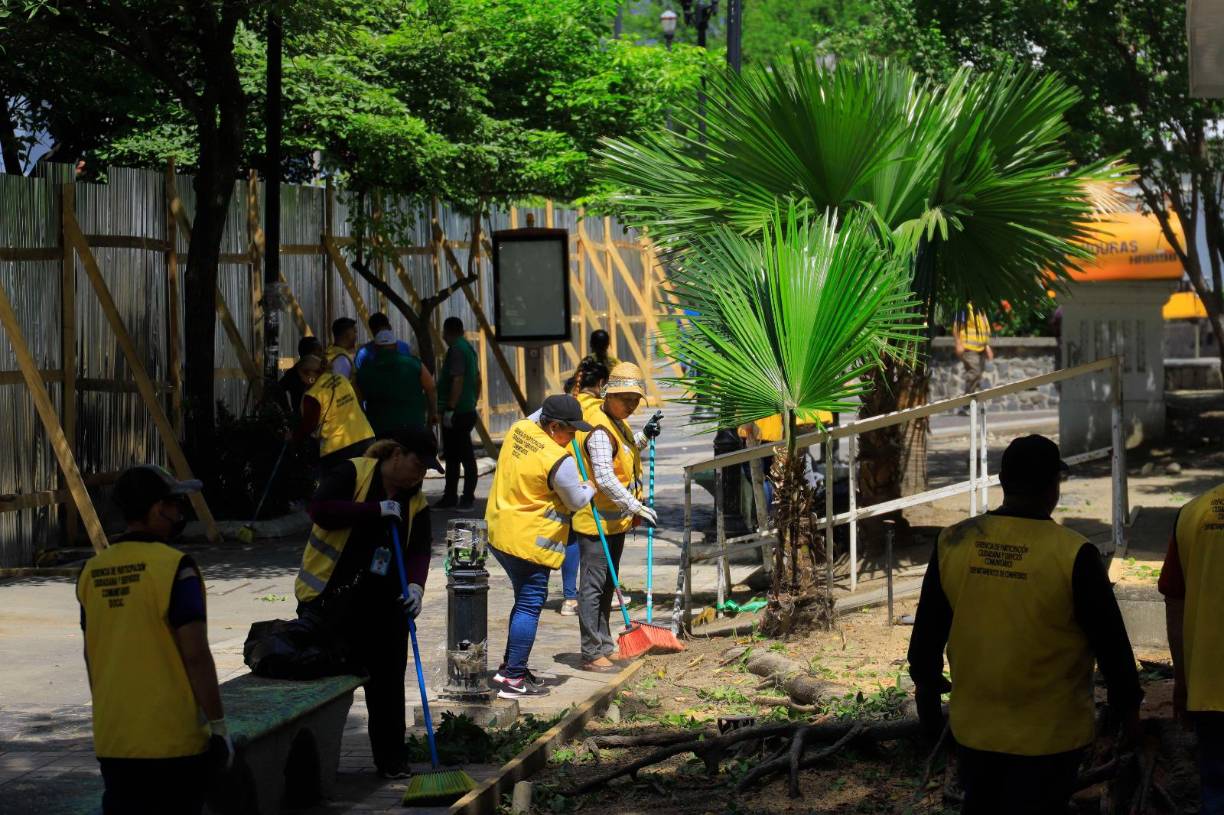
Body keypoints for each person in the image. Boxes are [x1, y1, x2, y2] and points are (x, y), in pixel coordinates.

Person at [907, 435, 1142, 815]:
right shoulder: (1073, 553)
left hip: (975, 730)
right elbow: (1112, 645)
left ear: (1003, 481)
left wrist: (930, 707)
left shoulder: (954, 541)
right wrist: (1127, 710)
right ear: (1054, 487)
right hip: (1051, 737)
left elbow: (927, 636)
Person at [77, 465, 233, 814]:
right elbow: (196, 655)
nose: (180, 513)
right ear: (155, 509)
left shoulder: (92, 572)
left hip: (114, 739)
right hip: (172, 741)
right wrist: (219, 724)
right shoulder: (177, 568)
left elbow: (91, 656)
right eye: (175, 504)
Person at [294, 427, 441, 778]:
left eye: (424, 471)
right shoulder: (352, 473)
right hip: (331, 601)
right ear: (396, 455)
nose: (419, 476)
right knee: (321, 685)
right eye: (417, 466)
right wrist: (374, 510)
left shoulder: (414, 499)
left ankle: (392, 761)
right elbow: (321, 511)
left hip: (385, 606)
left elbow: (420, 548)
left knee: (388, 687)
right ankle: (307, 767)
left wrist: (416, 587)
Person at [486, 395, 596, 699]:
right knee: (530, 603)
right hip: (528, 542)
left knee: (523, 600)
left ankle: (511, 666)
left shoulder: (519, 429)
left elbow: (540, 409)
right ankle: (512, 679)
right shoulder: (559, 460)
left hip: (500, 531)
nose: (572, 438)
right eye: (570, 432)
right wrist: (590, 488)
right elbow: (575, 501)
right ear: (554, 427)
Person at [573, 362, 662, 673]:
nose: (632, 406)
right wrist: (635, 506)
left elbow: (622, 449)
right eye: (627, 400)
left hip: (615, 522)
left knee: (609, 584)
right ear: (609, 394)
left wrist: (644, 436)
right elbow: (606, 478)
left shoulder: (614, 420)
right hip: (595, 521)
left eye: (636, 401)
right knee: (593, 586)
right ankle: (590, 650)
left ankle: (605, 643)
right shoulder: (598, 428)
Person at [1160, 482, 1224, 814]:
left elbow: (1175, 603)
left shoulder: (1192, 513)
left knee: (1215, 789)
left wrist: (1183, 683)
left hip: (1209, 689)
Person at [558, 359, 609, 616]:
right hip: (586, 479)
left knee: (570, 537)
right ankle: (587, 595)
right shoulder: (599, 410)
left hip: (561, 474)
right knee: (584, 538)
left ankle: (569, 597)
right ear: (600, 384)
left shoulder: (567, 404)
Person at [291, 361, 375, 470]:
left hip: (338, 449)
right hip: (366, 439)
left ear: (310, 375)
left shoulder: (313, 395)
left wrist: (293, 437)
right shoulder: (341, 378)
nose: (302, 381)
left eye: (301, 377)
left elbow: (309, 425)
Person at [356, 328, 437, 438]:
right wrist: (432, 414)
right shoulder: (414, 363)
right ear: (395, 346)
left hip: (381, 429)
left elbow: (358, 400)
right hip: (413, 426)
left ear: (375, 348)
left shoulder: (364, 371)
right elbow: (431, 388)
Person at [438, 316, 482, 509]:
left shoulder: (456, 350)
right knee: (456, 455)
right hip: (467, 409)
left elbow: (457, 379)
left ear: (447, 332)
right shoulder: (469, 349)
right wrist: (473, 400)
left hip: (457, 412)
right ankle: (451, 497)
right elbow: (478, 379)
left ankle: (466, 498)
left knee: (462, 455)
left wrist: (450, 408)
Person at [277, 336, 324, 422]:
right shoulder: (293, 373)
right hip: (303, 423)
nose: (322, 353)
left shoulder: (322, 371)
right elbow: (277, 389)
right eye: (319, 350)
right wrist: (287, 410)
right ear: (310, 354)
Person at [953, 304, 993, 406]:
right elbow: (956, 326)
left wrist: (987, 346)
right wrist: (958, 343)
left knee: (978, 375)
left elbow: (983, 329)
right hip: (968, 348)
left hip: (981, 348)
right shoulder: (965, 308)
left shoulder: (981, 308)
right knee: (974, 373)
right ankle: (966, 403)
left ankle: (970, 402)